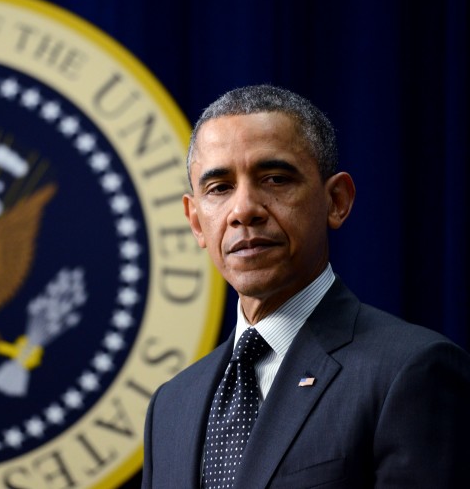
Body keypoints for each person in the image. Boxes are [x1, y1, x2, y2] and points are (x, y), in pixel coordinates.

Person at [141, 84, 470, 488]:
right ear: (195, 222)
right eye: (220, 188)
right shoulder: (171, 407)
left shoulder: (411, 372)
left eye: (275, 179)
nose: (243, 210)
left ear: (337, 201)